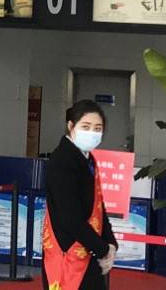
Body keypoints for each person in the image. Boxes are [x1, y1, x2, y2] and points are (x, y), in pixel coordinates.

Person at [44, 99, 119, 290]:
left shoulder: (87, 158)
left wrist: (110, 243)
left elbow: (98, 206)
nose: (92, 133)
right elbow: (69, 217)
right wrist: (102, 249)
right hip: (68, 251)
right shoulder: (62, 160)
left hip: (89, 248)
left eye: (97, 128)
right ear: (71, 126)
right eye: (86, 127)